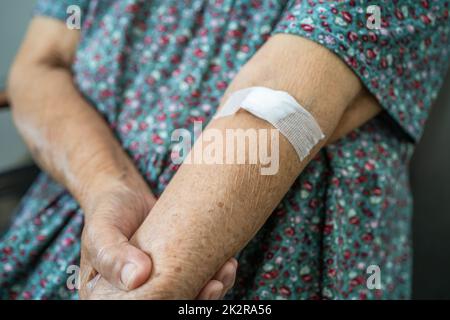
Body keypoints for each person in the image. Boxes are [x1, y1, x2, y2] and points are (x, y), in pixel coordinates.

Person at [1, 0, 449, 299]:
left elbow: (276, 105)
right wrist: (106, 185)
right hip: (61, 231)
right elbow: (38, 66)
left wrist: (152, 274)